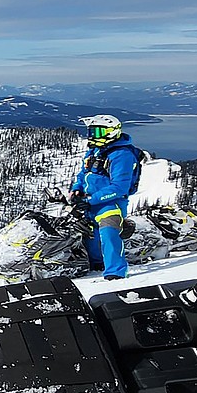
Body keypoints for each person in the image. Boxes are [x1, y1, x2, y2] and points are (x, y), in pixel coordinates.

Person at [69, 115, 141, 280]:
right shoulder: (95, 151)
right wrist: (76, 190)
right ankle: (95, 264)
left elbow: (119, 187)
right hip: (89, 202)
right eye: (92, 131)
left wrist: (90, 200)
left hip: (110, 203)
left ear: (111, 132)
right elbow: (83, 174)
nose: (94, 135)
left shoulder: (121, 155)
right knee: (88, 235)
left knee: (109, 233)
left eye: (99, 131)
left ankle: (115, 272)